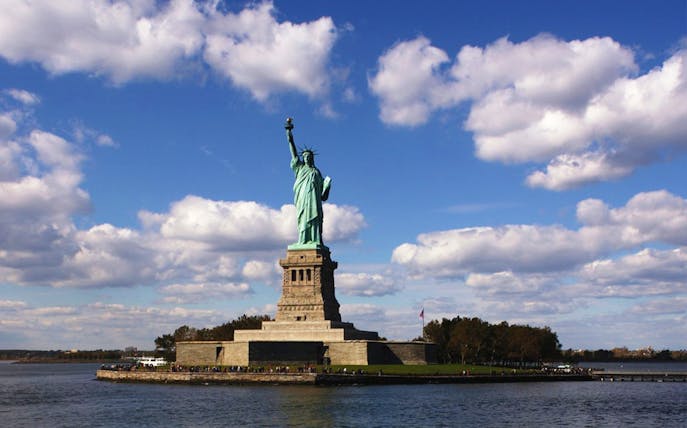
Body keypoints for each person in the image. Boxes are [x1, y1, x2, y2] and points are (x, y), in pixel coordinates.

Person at [285, 118, 331, 247]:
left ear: (312, 158)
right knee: (303, 218)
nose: (306, 157)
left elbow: (323, 196)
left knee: (316, 219)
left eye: (309, 156)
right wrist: (289, 132)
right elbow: (292, 149)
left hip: (314, 201)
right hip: (303, 198)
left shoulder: (317, 172)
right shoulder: (299, 168)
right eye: (304, 156)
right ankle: (303, 240)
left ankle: (316, 240)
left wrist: (327, 186)